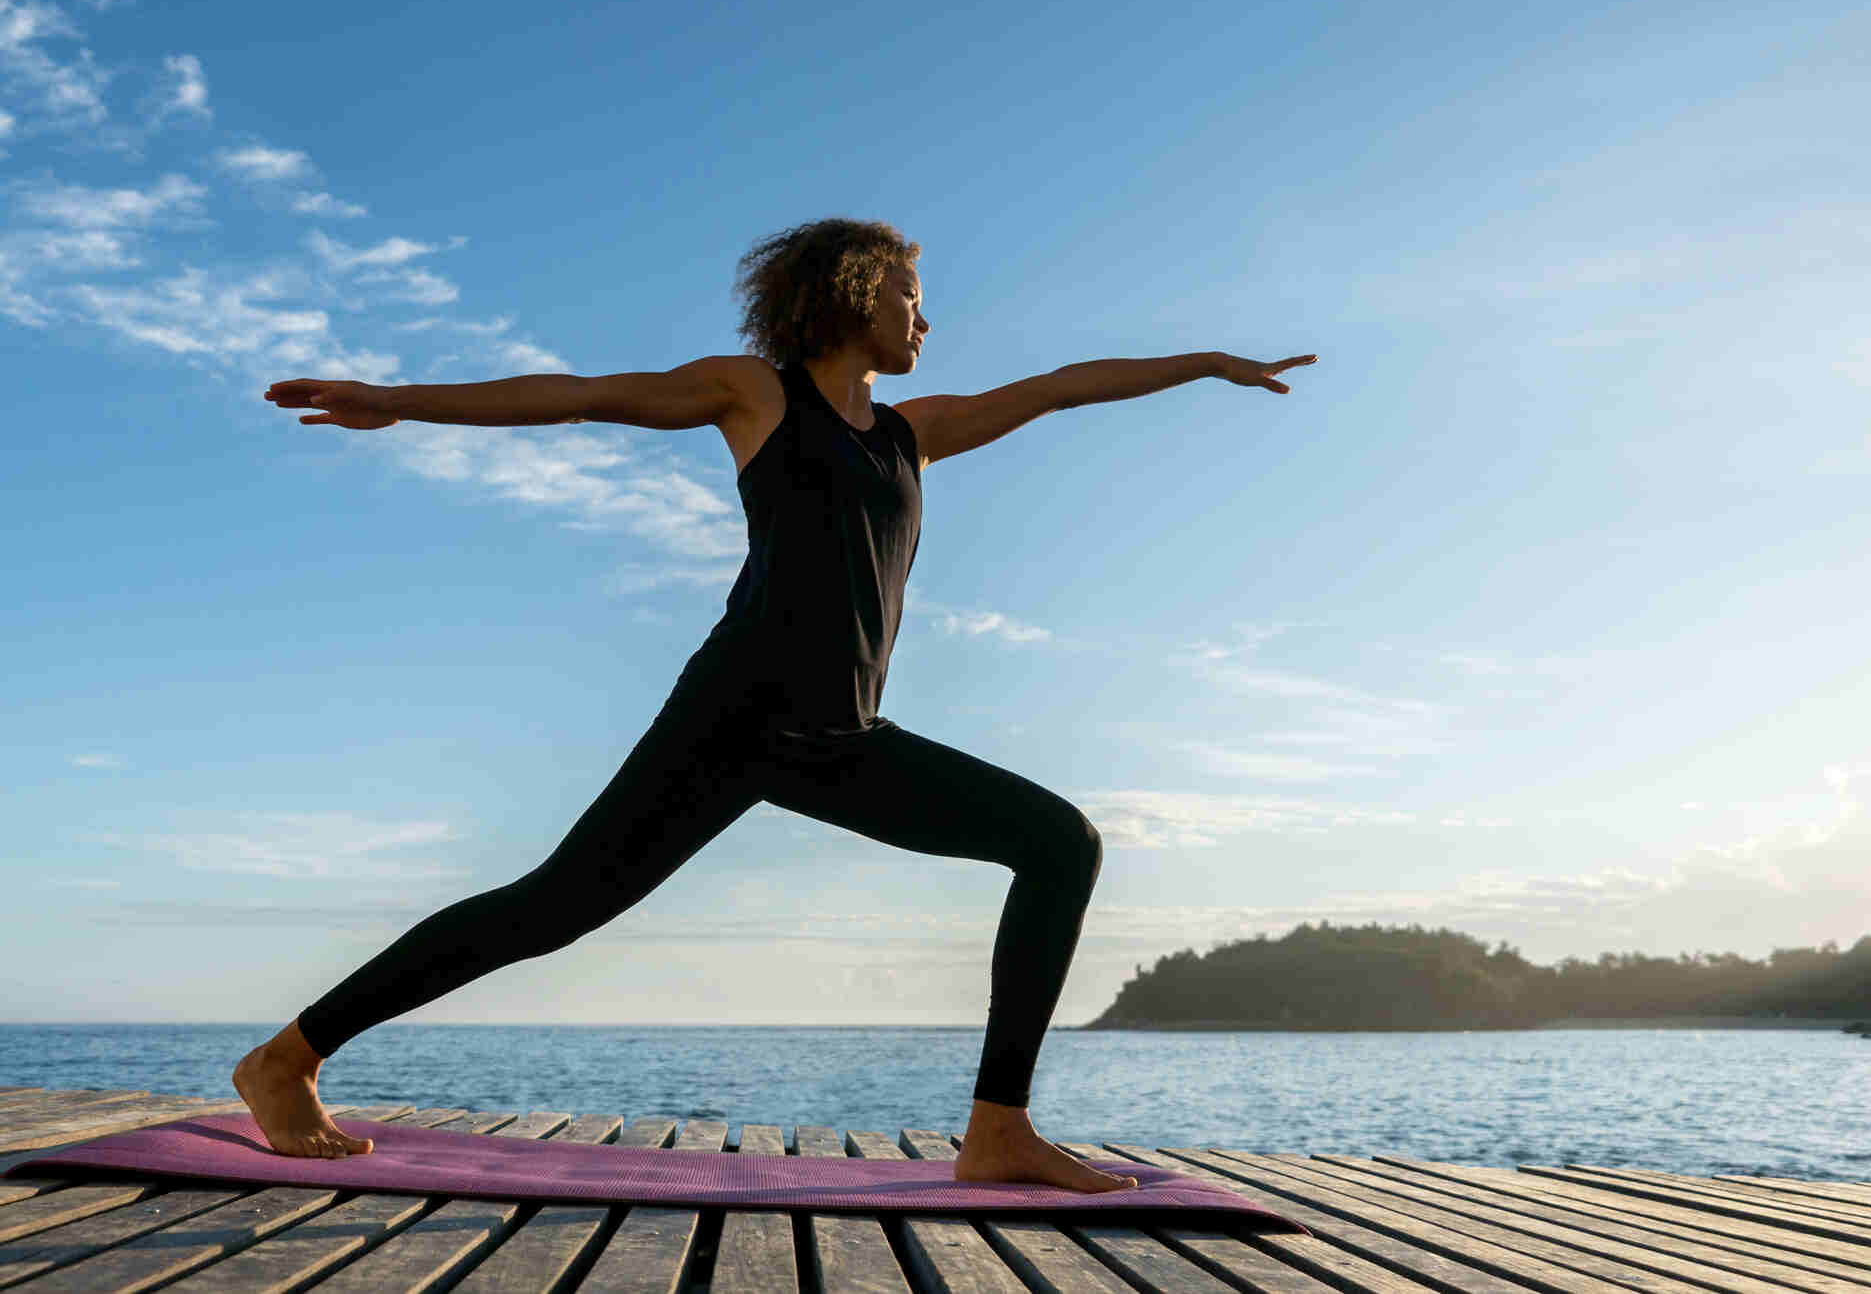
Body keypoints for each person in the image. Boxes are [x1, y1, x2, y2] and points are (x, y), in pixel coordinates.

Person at [235, 216, 1317, 1192]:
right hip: (732, 718)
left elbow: (1057, 388)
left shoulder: (911, 433)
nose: (925, 318)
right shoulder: (756, 394)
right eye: (907, 294)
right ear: (853, 291)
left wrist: (1203, 366)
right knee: (549, 910)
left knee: (1058, 842)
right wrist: (397, 402)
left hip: (842, 738)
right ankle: (285, 1061)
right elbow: (577, 394)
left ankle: (998, 1131)